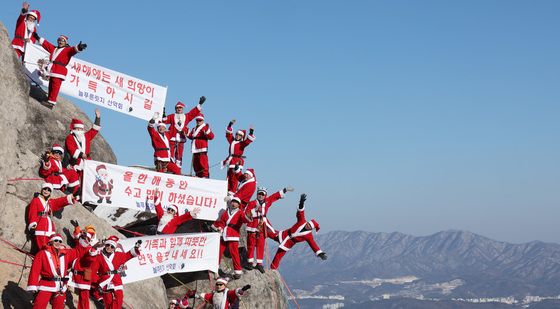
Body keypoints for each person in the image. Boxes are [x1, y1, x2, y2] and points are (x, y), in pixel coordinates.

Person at [26, 233, 92, 309]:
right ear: (51, 242)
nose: (58, 243)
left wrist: (84, 239)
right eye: (56, 240)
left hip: (61, 287)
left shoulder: (65, 253)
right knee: (39, 306)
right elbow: (35, 271)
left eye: (60, 241)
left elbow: (78, 251)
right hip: (46, 284)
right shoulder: (42, 254)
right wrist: (32, 285)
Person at [269, 194, 327, 270]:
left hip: (288, 243)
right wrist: (301, 202)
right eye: (308, 224)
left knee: (278, 256)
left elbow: (313, 244)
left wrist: (320, 253)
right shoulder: (302, 221)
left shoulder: (309, 236)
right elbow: (300, 213)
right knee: (267, 231)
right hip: (282, 235)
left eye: (309, 226)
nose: (307, 225)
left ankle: (272, 269)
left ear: (311, 229)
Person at [245, 186, 293, 273]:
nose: (261, 195)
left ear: (265, 195)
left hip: (263, 226)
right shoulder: (252, 203)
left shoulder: (267, 201)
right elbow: (246, 214)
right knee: (251, 244)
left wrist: (284, 190)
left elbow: (275, 196)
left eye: (262, 194)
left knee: (260, 245)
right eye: (259, 193)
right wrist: (255, 210)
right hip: (252, 226)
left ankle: (259, 264)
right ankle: (250, 263)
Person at [34, 33, 87, 107]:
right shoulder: (54, 49)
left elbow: (73, 50)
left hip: (59, 70)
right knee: (51, 86)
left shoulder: (67, 50)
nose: (60, 42)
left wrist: (79, 47)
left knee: (55, 86)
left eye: (62, 41)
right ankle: (49, 99)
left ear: (65, 42)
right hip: (53, 70)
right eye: (59, 40)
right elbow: (47, 45)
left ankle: (51, 102)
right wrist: (38, 38)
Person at [90, 236, 142, 309]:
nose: (109, 247)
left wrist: (135, 248)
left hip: (116, 280)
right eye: (108, 245)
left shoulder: (118, 255)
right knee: (108, 302)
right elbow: (92, 271)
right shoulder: (99, 257)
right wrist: (95, 284)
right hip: (105, 281)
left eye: (112, 246)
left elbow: (128, 255)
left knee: (119, 300)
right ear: (105, 245)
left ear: (114, 248)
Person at [211, 197, 253, 279]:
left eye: (236, 202)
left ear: (239, 204)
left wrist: (248, 216)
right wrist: (219, 227)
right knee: (218, 251)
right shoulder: (226, 211)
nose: (234, 204)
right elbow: (222, 221)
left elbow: (245, 219)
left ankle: (237, 271)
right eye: (233, 202)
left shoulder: (240, 213)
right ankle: (215, 269)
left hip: (233, 234)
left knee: (234, 253)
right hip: (224, 233)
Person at [27, 182, 76, 250]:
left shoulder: (50, 202)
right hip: (41, 226)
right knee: (43, 247)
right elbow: (32, 212)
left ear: (50, 192)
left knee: (52, 246)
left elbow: (59, 202)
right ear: (41, 190)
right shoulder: (35, 200)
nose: (46, 191)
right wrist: (33, 224)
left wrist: (70, 197)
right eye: (45, 189)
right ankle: (42, 258)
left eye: (48, 190)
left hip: (50, 228)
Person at [162, 97, 205, 169]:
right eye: (177, 108)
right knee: (170, 153)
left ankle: (178, 169)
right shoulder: (172, 116)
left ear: (183, 109)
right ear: (175, 109)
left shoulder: (186, 116)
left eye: (180, 108)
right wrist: (163, 115)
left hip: (181, 138)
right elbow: (164, 121)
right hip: (172, 138)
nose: (179, 109)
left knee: (179, 155)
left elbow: (193, 113)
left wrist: (199, 104)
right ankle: (170, 168)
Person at [69, 221, 101, 309]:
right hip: (76, 265)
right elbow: (77, 236)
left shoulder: (94, 246)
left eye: (91, 233)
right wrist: (77, 227)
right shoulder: (82, 240)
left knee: (85, 290)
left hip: (87, 269)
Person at [222, 120, 255, 194]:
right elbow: (228, 135)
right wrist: (230, 124)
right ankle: (227, 190)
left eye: (240, 135)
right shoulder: (232, 141)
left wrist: (251, 132)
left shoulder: (242, 143)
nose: (237, 136)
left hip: (236, 161)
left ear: (242, 137)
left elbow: (248, 141)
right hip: (230, 161)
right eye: (237, 134)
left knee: (234, 177)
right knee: (229, 176)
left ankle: (232, 191)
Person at [65, 109, 101, 176]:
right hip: (76, 162)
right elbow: (71, 149)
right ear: (74, 129)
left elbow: (94, 130)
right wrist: (81, 154)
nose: (79, 130)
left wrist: (98, 118)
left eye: (81, 129)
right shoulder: (70, 137)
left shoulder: (86, 136)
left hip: (87, 162)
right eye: (77, 128)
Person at [186, 113, 214, 178]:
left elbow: (211, 137)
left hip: (202, 148)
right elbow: (190, 136)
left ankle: (205, 176)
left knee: (203, 163)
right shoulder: (194, 129)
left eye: (200, 120)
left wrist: (207, 132)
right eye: (197, 120)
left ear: (203, 121)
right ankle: (198, 175)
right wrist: (186, 130)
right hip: (195, 148)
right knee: (195, 164)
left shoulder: (205, 127)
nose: (198, 121)